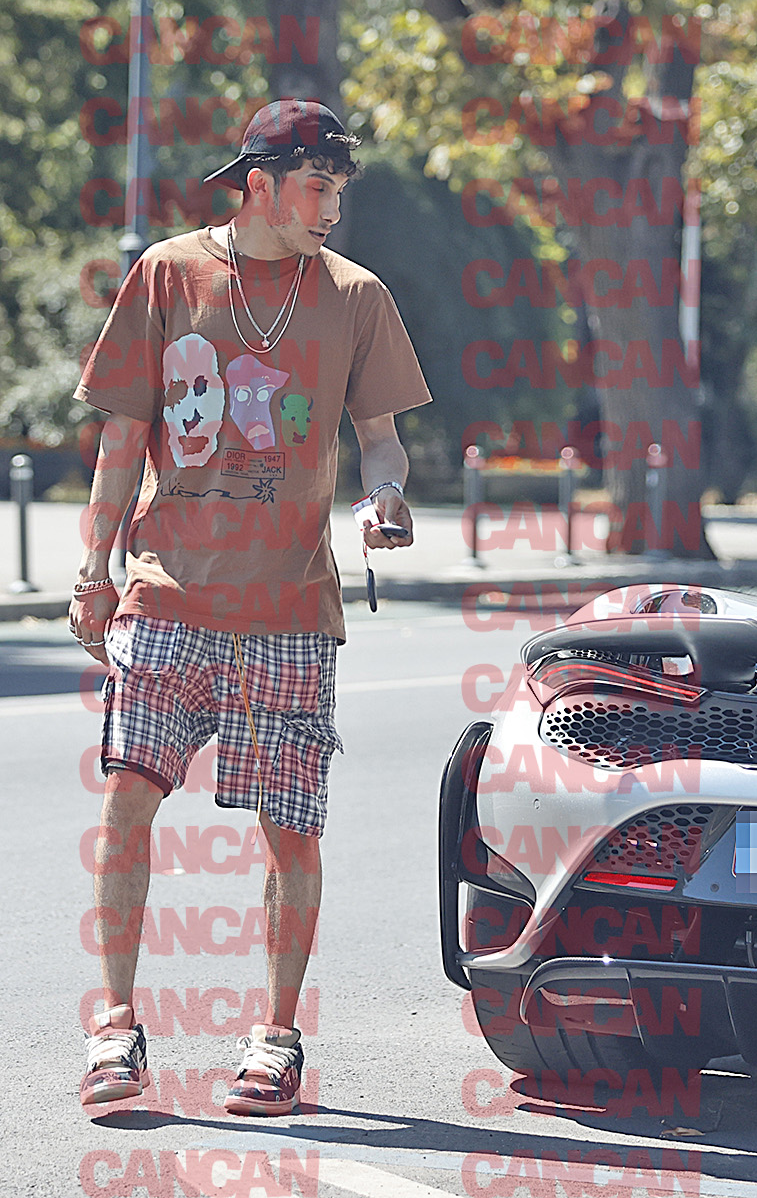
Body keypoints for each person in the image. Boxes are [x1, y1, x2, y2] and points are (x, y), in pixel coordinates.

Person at [71, 100, 431, 1115]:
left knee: (289, 828)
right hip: (168, 593)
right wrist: (94, 569)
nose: (332, 209)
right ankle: (115, 1026)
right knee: (128, 798)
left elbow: (382, 436)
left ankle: (275, 1036)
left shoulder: (356, 295)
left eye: (340, 191)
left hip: (290, 607)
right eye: (318, 187)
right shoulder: (168, 274)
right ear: (259, 184)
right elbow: (122, 437)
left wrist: (386, 496)